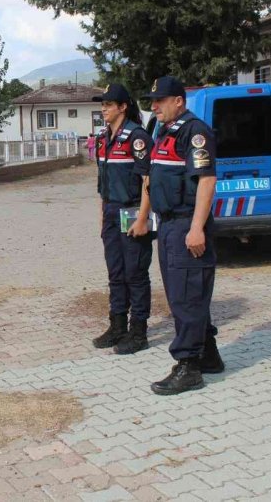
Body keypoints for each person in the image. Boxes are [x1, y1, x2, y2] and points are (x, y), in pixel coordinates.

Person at [140, 76, 223, 395]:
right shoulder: (165, 130)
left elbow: (206, 181)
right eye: (152, 101)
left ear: (179, 100)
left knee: (186, 296)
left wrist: (197, 228)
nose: (154, 106)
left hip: (186, 222)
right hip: (170, 223)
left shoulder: (195, 131)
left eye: (160, 100)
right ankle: (209, 354)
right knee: (186, 294)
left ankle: (188, 366)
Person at [91, 83, 155, 355]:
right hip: (111, 212)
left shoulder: (136, 138)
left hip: (133, 211)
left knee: (135, 273)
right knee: (115, 273)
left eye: (108, 104)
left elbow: (148, 181)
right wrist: (102, 215)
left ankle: (138, 332)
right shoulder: (104, 138)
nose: (103, 109)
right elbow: (102, 183)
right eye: (102, 104)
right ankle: (117, 326)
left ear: (122, 107)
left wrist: (142, 219)